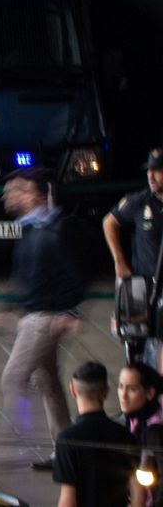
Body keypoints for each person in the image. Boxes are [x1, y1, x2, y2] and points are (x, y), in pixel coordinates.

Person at [0, 166, 90, 467]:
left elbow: (78, 272)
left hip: (46, 318)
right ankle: (66, 451)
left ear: (35, 195)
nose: (8, 196)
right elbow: (23, 275)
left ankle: (7, 444)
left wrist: (68, 311)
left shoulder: (62, 229)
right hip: (33, 315)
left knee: (13, 377)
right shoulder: (32, 229)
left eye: (16, 190)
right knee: (48, 384)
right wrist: (6, 308)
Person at [104, 147, 163, 367]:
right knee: (138, 350)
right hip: (145, 289)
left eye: (157, 170)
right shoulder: (139, 201)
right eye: (149, 170)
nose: (151, 175)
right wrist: (120, 261)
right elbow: (109, 222)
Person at [53, 362, 135, 507]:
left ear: (72, 390)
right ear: (106, 391)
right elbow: (137, 490)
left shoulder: (68, 438)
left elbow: (68, 499)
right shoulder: (124, 434)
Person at [119, 363, 163, 507]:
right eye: (120, 386)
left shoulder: (153, 432)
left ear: (150, 393)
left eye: (132, 389)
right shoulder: (132, 418)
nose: (123, 395)